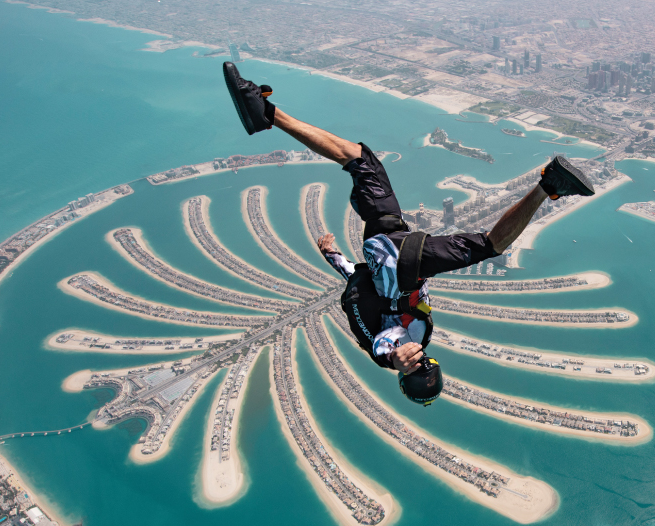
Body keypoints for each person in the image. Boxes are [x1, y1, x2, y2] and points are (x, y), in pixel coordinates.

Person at [223, 62, 595, 405]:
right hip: (390, 247)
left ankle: (550, 184)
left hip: (402, 261)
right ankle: (266, 114)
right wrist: (331, 255)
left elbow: (387, 349)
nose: (420, 363)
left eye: (420, 369)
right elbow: (355, 279)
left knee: (489, 245)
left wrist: (396, 359)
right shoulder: (413, 338)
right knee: (360, 161)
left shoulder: (397, 348)